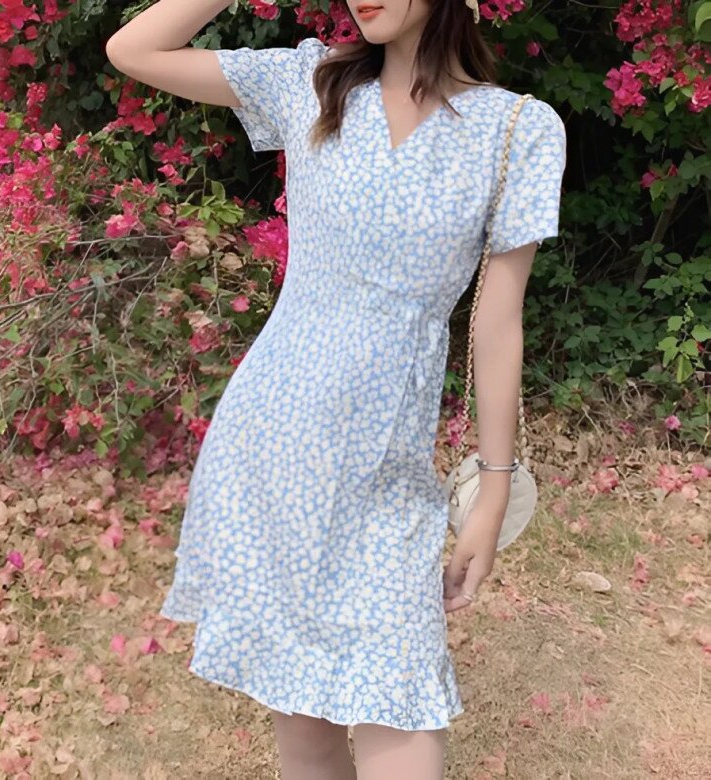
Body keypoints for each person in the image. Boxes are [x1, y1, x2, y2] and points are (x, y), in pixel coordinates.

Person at [106, 0, 566, 777]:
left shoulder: (518, 130)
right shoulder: (312, 83)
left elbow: (497, 322)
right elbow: (134, 49)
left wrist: (494, 488)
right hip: (275, 447)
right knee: (307, 722)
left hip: (389, 471)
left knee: (399, 705)